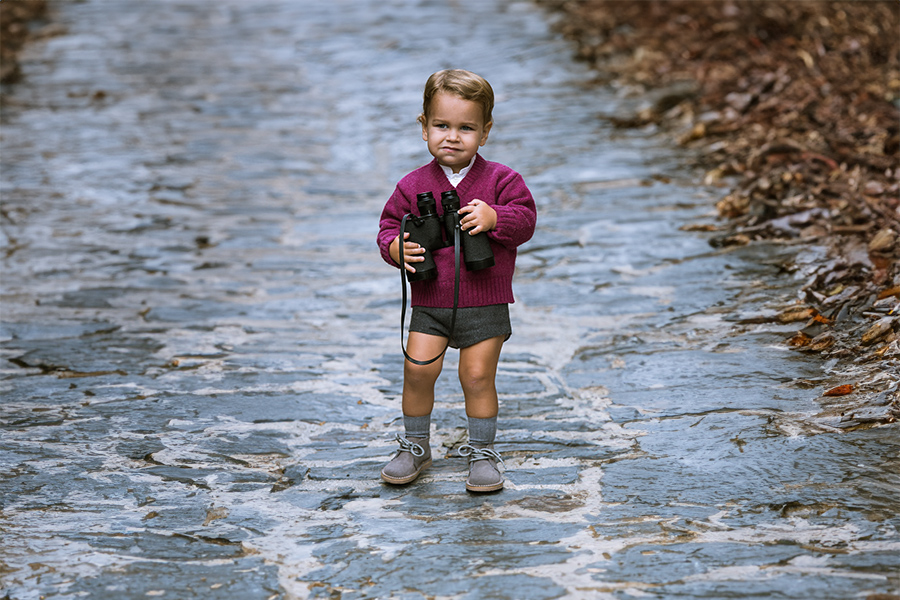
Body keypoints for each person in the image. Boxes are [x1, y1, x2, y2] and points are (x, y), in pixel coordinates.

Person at [376, 69, 537, 492]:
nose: (452, 136)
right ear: (424, 127)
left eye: (466, 127)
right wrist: (395, 249)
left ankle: (483, 453)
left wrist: (495, 217)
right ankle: (415, 444)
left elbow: (526, 220)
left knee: (478, 376)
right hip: (430, 301)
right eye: (441, 125)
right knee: (416, 370)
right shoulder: (412, 185)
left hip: (484, 301)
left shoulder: (502, 180)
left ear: (485, 133)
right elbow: (389, 226)